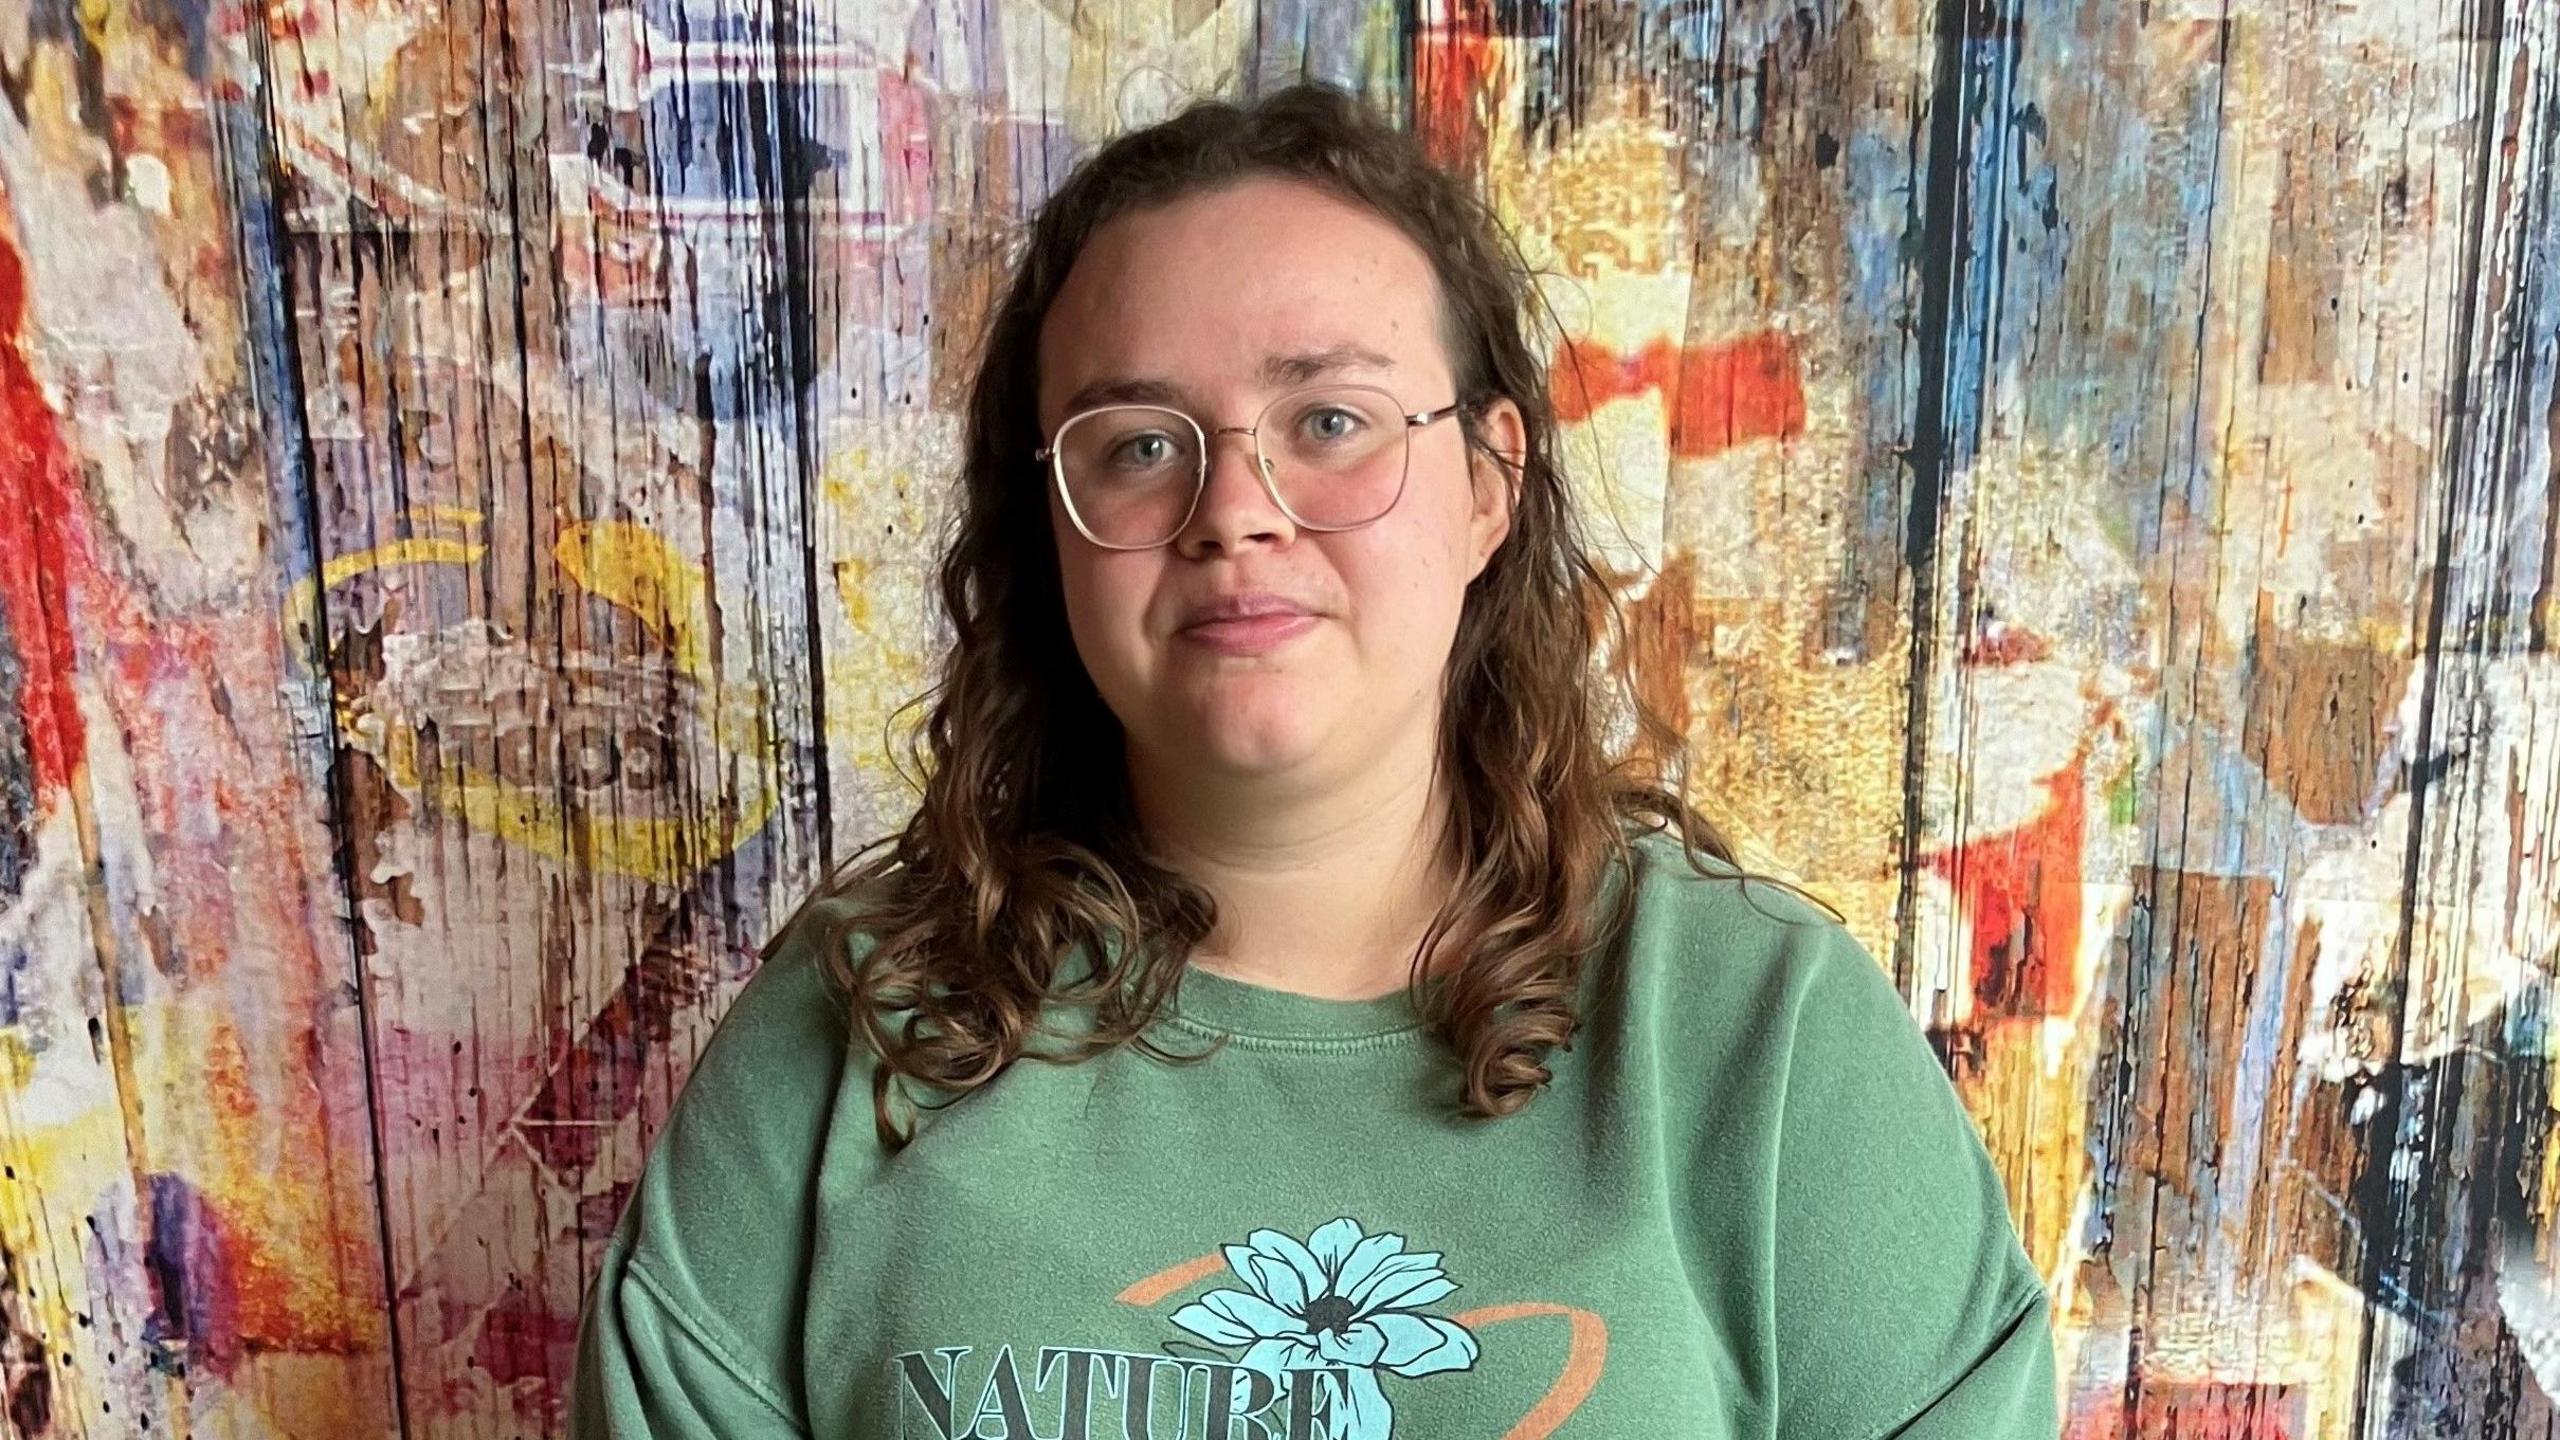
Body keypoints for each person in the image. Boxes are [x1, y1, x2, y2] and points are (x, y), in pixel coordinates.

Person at [569, 82, 2058, 1439]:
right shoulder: (858, 1029)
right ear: (1050, 528)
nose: (1236, 508)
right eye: (1138, 443)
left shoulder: (1762, 1043)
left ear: (1488, 484)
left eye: (1329, 420)